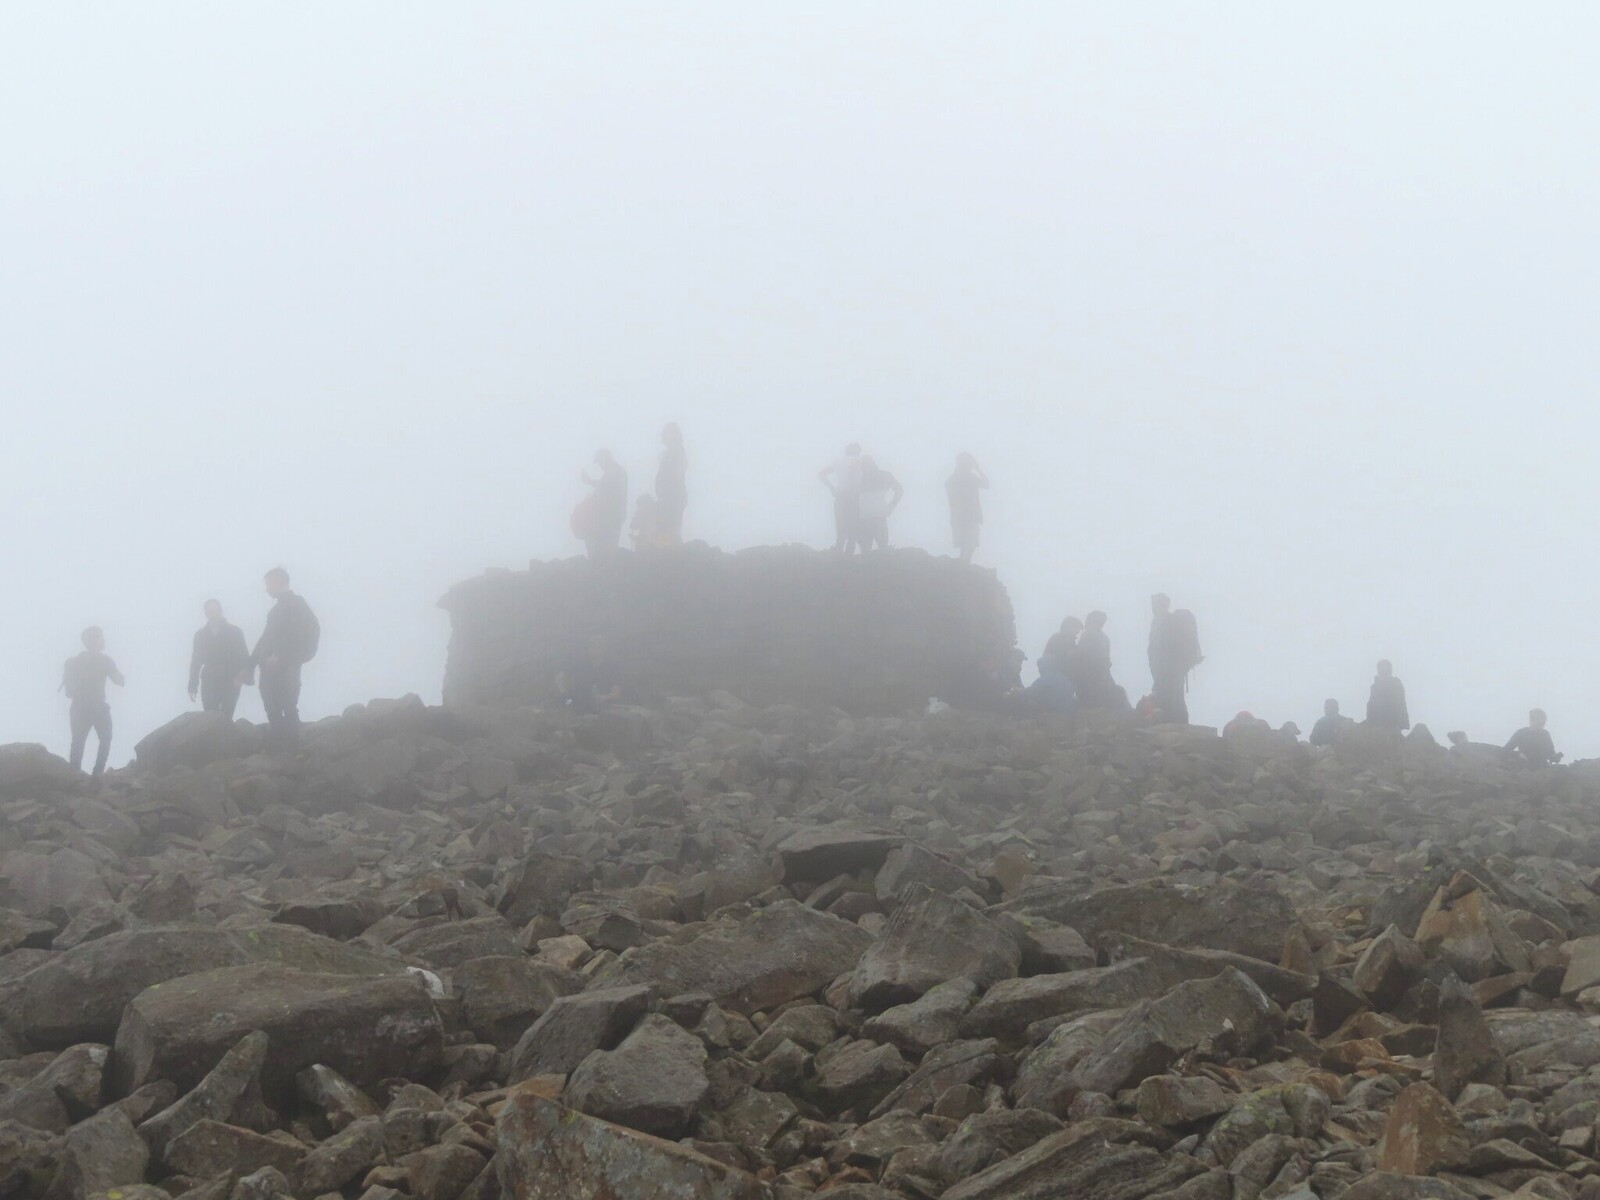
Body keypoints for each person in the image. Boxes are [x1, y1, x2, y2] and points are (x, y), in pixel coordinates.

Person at [245, 567, 320, 747]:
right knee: (273, 702)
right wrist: (250, 664)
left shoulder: (295, 603)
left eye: (268, 584)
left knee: (286, 701)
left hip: (285, 663)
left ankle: (289, 746)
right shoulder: (278, 609)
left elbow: (299, 632)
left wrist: (280, 655)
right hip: (272, 663)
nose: (267, 589)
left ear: (278, 581)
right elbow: (266, 638)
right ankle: (282, 743)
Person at [62, 626, 124, 777]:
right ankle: (97, 774)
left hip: (78, 707)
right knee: (106, 738)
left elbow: (69, 691)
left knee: (77, 742)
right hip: (98, 707)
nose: (104, 640)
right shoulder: (104, 660)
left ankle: (74, 776)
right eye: (101, 637)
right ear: (96, 640)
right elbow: (119, 681)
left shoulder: (75, 661)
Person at [188, 599, 250, 720]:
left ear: (221, 611)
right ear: (206, 614)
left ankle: (227, 739)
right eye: (209, 611)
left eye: (215, 611)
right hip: (209, 681)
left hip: (231, 680)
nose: (213, 614)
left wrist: (241, 678)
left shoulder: (235, 632)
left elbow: (244, 657)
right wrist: (192, 686)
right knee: (210, 717)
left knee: (226, 716)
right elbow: (196, 661)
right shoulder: (200, 635)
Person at [1147, 594, 1203, 724]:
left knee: (1167, 694)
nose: (1152, 607)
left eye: (1154, 604)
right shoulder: (1171, 621)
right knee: (1176, 695)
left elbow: (1156, 647)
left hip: (1165, 668)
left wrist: (1155, 665)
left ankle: (1171, 722)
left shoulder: (1161, 621)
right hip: (1176, 667)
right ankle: (1180, 723)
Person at [574, 450, 629, 557]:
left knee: (603, 551)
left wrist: (589, 482)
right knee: (606, 549)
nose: (600, 465)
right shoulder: (616, 472)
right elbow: (605, 488)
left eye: (600, 462)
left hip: (608, 520)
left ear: (605, 459)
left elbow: (605, 490)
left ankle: (603, 569)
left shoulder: (615, 473)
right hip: (610, 519)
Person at [1074, 611, 1128, 710]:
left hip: (1089, 680)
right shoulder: (1104, 638)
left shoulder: (1088, 635)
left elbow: (1081, 657)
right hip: (1103, 679)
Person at [817, 443, 865, 554]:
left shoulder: (839, 462)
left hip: (840, 497)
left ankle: (838, 555)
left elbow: (821, 474)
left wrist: (832, 488)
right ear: (857, 451)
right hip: (854, 498)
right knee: (853, 531)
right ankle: (849, 559)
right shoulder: (860, 462)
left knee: (841, 529)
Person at [945, 453, 990, 565]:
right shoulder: (968, 478)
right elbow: (986, 484)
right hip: (968, 517)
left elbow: (986, 485)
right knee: (969, 544)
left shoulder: (953, 479)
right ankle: (964, 568)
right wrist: (978, 469)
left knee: (967, 544)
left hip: (961, 517)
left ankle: (963, 566)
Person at [856, 456, 904, 551]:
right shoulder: (884, 475)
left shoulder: (857, 478)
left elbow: (899, 490)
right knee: (882, 548)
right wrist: (891, 505)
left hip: (865, 518)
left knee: (866, 551)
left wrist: (891, 505)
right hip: (877, 517)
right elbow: (899, 490)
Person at [655, 423, 688, 544]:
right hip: (669, 498)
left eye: (665, 433)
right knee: (669, 531)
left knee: (669, 532)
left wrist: (667, 495)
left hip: (671, 499)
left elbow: (675, 477)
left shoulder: (675, 452)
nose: (662, 436)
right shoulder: (673, 452)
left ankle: (671, 556)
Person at [1366, 660, 1410, 733]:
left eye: (1385, 668)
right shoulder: (1375, 686)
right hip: (1377, 724)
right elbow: (1371, 705)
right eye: (1381, 668)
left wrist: (1401, 723)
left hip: (1392, 724)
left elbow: (1400, 704)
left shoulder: (1395, 684)